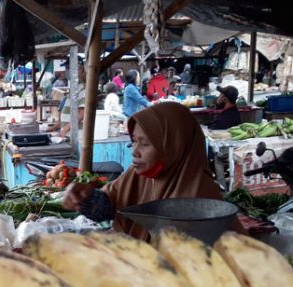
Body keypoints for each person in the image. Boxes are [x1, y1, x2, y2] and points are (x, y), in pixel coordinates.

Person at [63, 103, 223, 241]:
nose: (135, 152)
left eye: (145, 144)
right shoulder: (138, 175)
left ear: (174, 147)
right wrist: (84, 198)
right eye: (134, 141)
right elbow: (111, 204)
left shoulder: (203, 200)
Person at [49, 63, 86, 137]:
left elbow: (81, 114)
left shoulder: (82, 88)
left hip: (76, 136)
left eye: (69, 68)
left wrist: (64, 130)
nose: (67, 71)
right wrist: (54, 128)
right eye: (66, 68)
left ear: (81, 70)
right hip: (68, 135)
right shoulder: (75, 87)